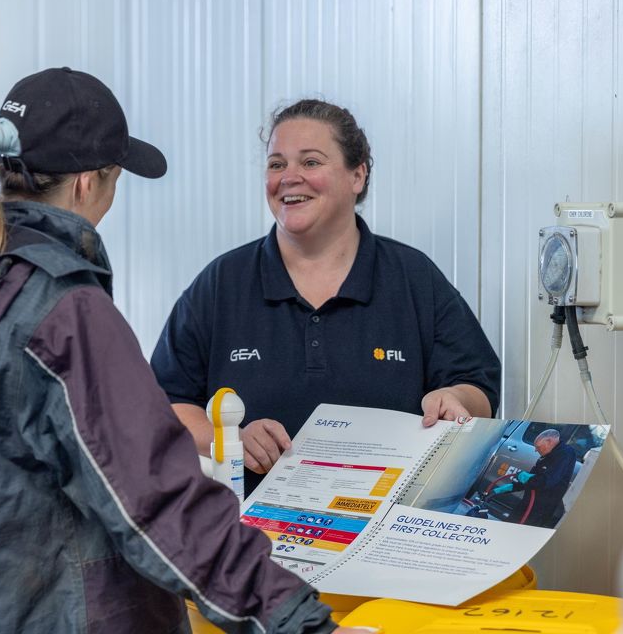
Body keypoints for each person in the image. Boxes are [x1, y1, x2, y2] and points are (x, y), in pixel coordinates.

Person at [0, 69, 371, 634]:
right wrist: (302, 622)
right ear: (86, 184)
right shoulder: (60, 310)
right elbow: (161, 509)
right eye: (115, 177)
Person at [152, 99, 501, 495]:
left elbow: (479, 389)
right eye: (277, 163)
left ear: (357, 175)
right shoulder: (221, 285)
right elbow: (167, 402)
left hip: (382, 535)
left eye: (311, 162)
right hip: (250, 539)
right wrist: (228, 441)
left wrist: (453, 399)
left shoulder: (412, 278)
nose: (289, 177)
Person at [492, 429, 577, 527]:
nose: (535, 450)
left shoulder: (565, 454)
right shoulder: (547, 454)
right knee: (509, 524)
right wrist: (512, 486)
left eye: (538, 446)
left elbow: (545, 481)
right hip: (528, 502)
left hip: (540, 509)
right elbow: (533, 478)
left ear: (549, 441)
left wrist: (526, 477)